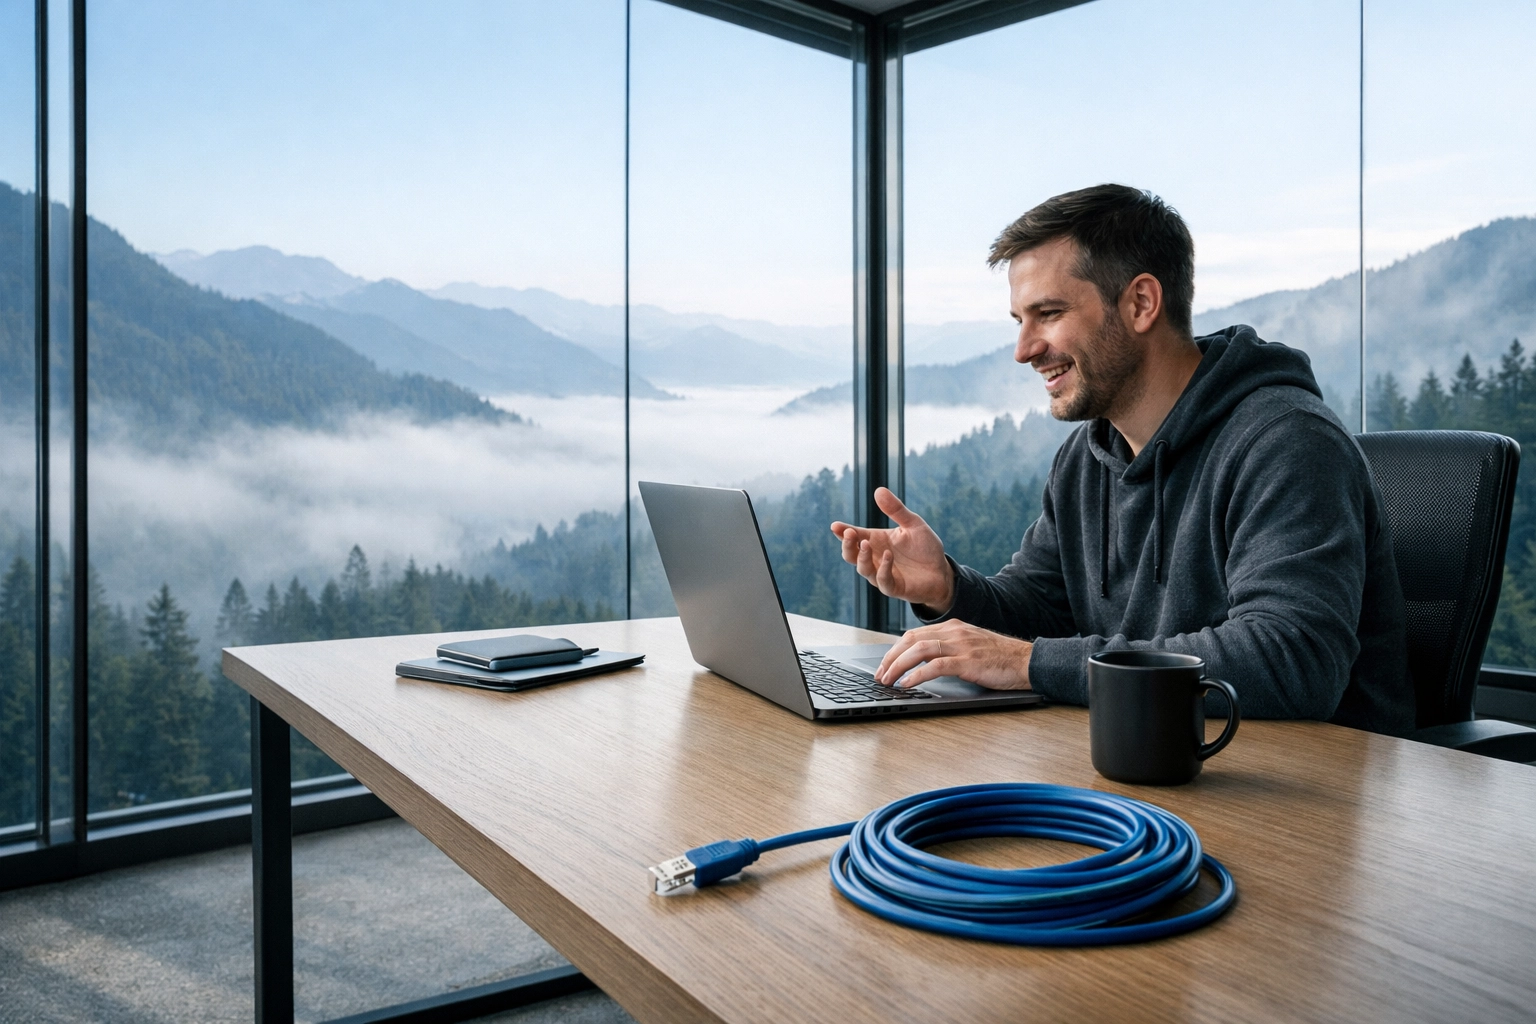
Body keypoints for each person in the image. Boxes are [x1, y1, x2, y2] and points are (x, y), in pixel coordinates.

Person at [830, 184, 1411, 735]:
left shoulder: (1286, 442)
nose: (1023, 350)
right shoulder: (1088, 457)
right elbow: (1040, 612)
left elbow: (1291, 662)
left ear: (1140, 302)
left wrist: (1034, 664)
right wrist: (950, 590)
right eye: (1019, 321)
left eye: (1049, 314)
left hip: (1310, 796)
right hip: (1153, 759)